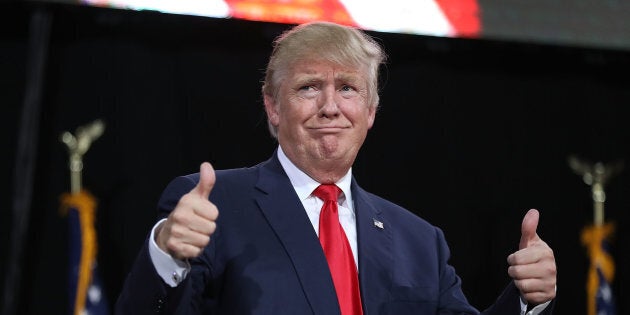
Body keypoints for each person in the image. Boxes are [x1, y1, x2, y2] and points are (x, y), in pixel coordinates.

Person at [115, 21, 557, 314]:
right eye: (309, 87)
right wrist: (167, 254)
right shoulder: (215, 207)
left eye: (347, 88)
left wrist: (525, 301)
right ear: (272, 106)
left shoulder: (420, 242)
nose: (330, 107)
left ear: (370, 111)